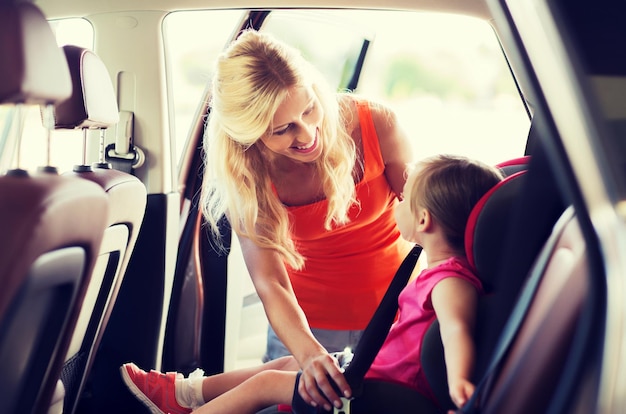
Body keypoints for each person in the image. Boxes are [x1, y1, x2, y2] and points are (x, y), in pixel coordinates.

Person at [121, 154, 504, 414]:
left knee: (268, 382)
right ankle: (183, 395)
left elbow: (456, 330)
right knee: (291, 361)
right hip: (371, 373)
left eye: (404, 200)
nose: (396, 203)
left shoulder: (450, 279)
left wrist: (462, 387)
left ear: (423, 221)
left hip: (377, 393)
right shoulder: (435, 269)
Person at [193, 28, 413, 408]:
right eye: (283, 129)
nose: (308, 133)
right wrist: (309, 354)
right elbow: (271, 283)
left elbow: (423, 214)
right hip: (301, 332)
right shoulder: (247, 175)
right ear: (249, 135)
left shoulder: (377, 124)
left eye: (309, 108)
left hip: (395, 319)